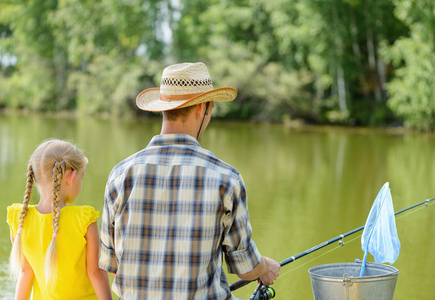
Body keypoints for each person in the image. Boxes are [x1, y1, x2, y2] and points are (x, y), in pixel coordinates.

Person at [99, 62, 280, 299]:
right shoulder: (226, 179)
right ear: (201, 108)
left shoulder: (120, 175)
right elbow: (245, 268)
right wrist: (265, 268)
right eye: (211, 108)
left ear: (163, 108)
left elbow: (111, 263)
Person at [7, 139, 112, 300]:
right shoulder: (83, 219)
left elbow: (25, 271)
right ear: (70, 177)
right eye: (81, 177)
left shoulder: (20, 220)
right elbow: (95, 272)